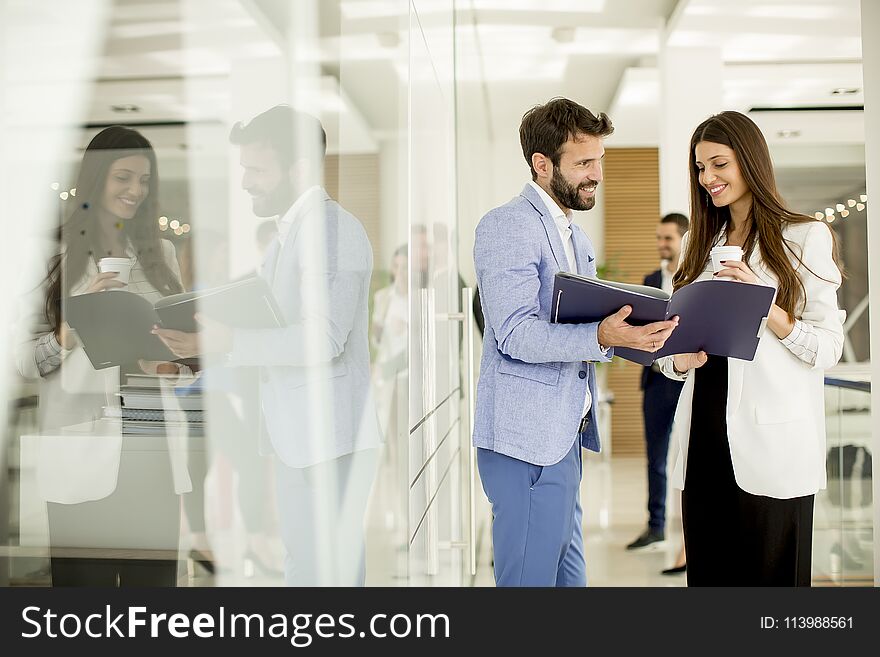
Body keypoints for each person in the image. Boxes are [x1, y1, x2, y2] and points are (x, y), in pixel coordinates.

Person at [154, 105, 382, 586]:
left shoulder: (332, 231)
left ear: (298, 169)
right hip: (300, 436)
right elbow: (274, 329)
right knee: (307, 564)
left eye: (256, 170)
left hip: (327, 438)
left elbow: (322, 338)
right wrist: (203, 349)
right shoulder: (288, 236)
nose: (245, 183)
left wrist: (229, 340)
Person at [473, 98, 679, 587]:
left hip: (565, 435)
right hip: (524, 443)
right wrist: (601, 334)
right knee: (528, 585)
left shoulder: (575, 236)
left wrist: (660, 343)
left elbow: (589, 333)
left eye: (600, 161)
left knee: (570, 583)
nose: (597, 175)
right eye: (584, 163)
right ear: (542, 165)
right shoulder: (507, 225)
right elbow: (516, 332)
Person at [658, 110, 845, 586]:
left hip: (773, 443)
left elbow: (827, 347)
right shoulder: (697, 246)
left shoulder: (804, 237)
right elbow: (669, 346)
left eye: (718, 164)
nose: (708, 179)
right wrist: (676, 360)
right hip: (705, 437)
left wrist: (765, 305)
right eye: (700, 169)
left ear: (750, 161)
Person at [15, 126, 191, 586]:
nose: (136, 190)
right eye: (124, 178)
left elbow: (179, 352)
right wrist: (72, 331)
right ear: (96, 180)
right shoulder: (49, 257)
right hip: (81, 453)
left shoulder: (162, 255)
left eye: (145, 180)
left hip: (152, 452)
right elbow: (24, 362)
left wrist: (176, 360)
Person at [627, 213, 688, 556]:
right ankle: (656, 527)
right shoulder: (650, 279)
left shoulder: (697, 278)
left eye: (667, 238)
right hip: (655, 380)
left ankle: (691, 532)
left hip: (689, 377)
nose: (661, 245)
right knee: (656, 457)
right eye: (659, 238)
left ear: (683, 239)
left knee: (692, 456)